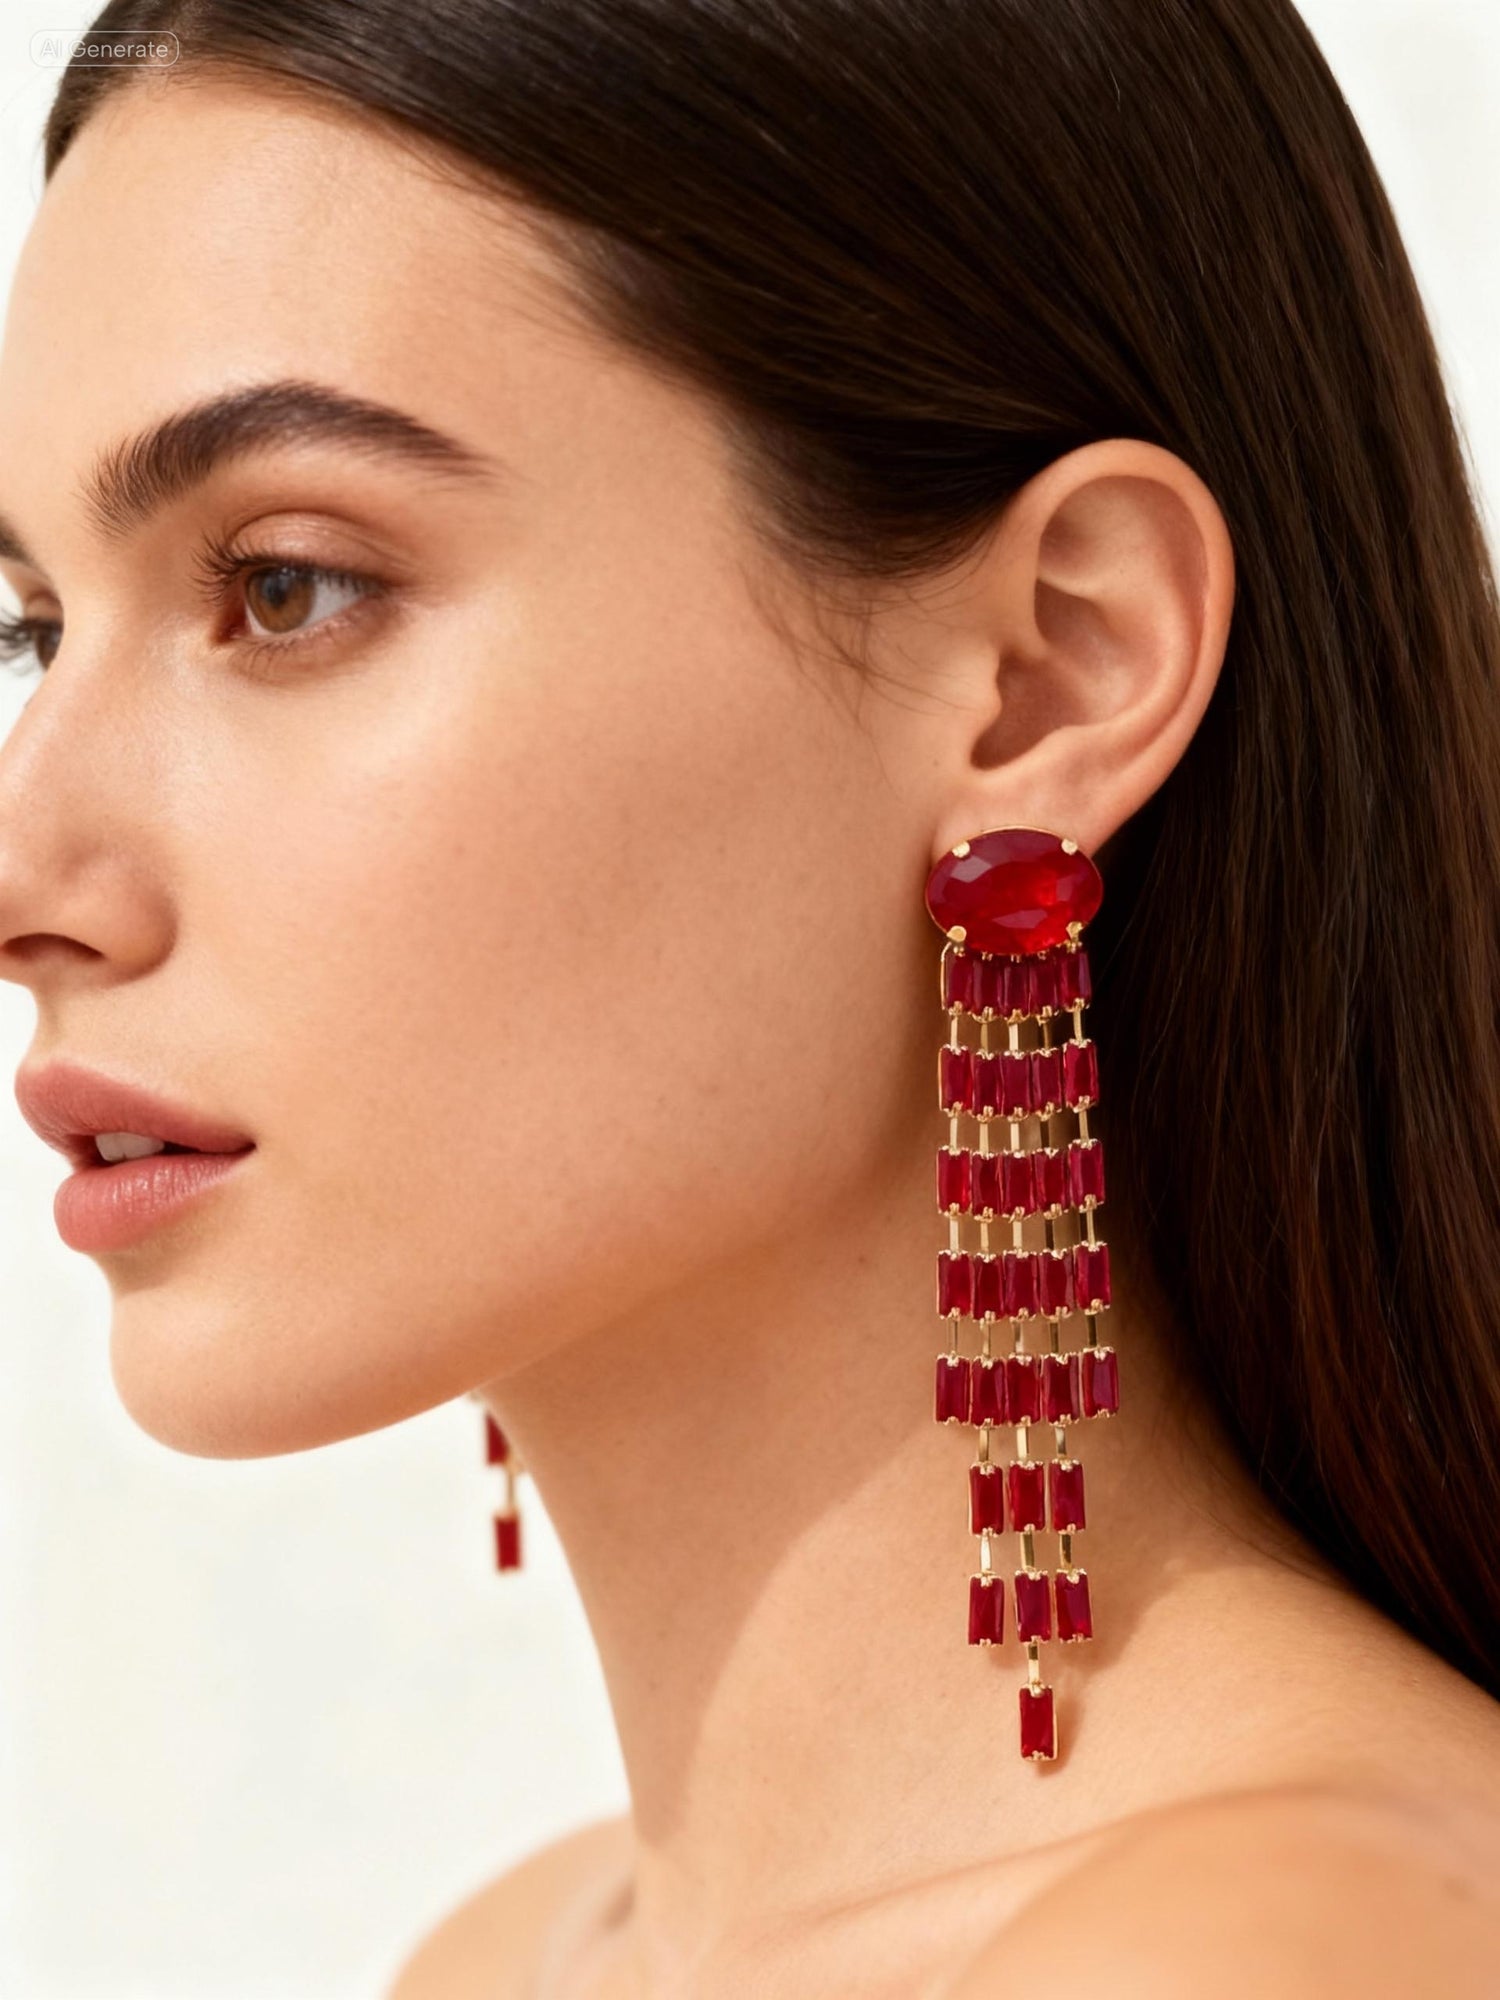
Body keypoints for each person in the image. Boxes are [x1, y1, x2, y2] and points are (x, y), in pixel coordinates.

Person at [1, 1, 1497, 1994]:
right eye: (31, 624)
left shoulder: (1286, 1950)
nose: (28, 883)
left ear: (1053, 667)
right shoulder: (511, 1957)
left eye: (287, 584)